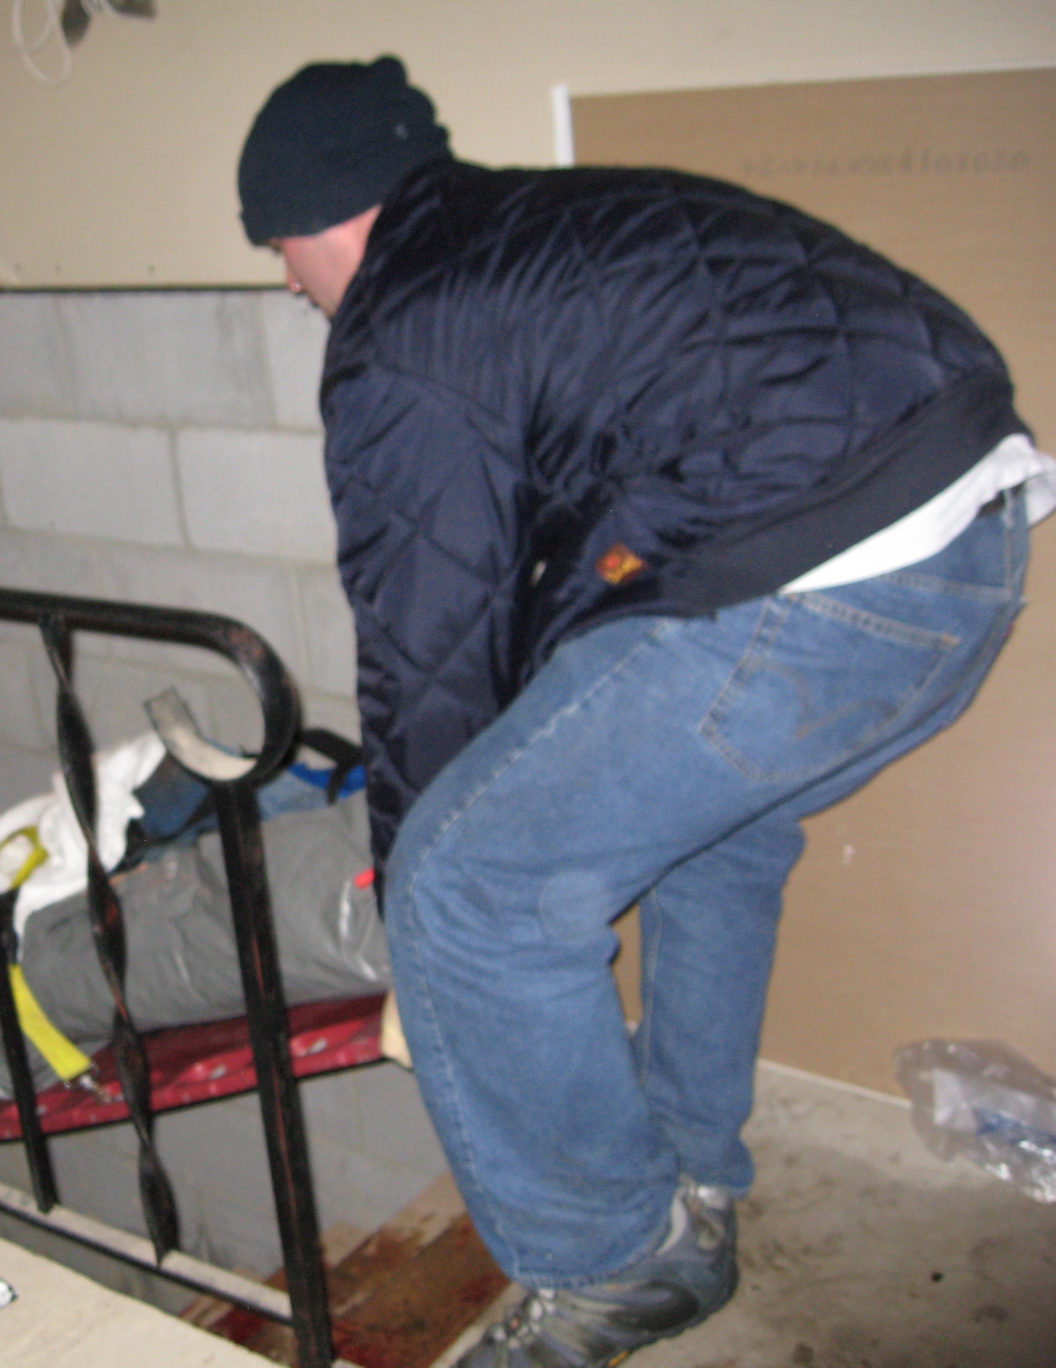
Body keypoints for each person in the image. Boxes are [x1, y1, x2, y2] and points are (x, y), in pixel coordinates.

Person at [236, 57, 1052, 1367]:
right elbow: (548, 581)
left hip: (819, 571)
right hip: (969, 554)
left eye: (276, 246)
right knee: (710, 839)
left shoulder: (404, 322)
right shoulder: (541, 234)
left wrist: (418, 893)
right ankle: (692, 1169)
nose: (285, 281)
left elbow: (425, 649)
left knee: (466, 889)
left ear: (322, 216)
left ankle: (616, 1260)